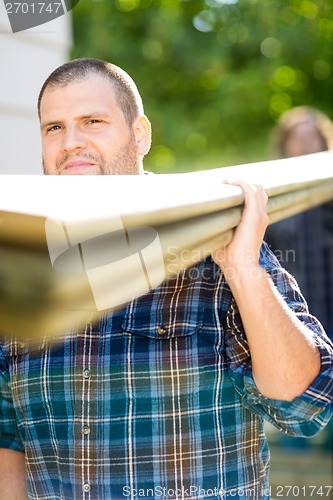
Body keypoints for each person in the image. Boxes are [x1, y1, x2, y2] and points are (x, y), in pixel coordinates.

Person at [0, 59, 332, 500]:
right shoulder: (21, 265)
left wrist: (242, 270)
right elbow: (9, 446)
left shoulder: (215, 241)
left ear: (140, 135)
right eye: (54, 128)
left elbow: (304, 406)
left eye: (92, 121)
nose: (71, 143)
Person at [265, 106, 333, 454]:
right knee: (297, 406)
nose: (306, 143)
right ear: (285, 143)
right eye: (298, 136)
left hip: (332, 307)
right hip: (293, 315)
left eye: (313, 136)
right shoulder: (272, 195)